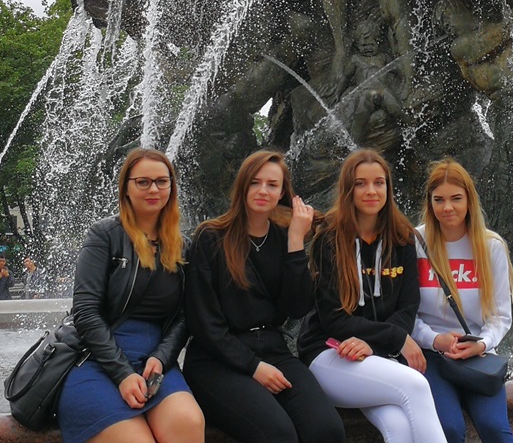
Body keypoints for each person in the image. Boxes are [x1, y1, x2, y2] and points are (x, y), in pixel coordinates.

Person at [184, 151, 345, 443]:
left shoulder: (284, 238)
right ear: (242, 186)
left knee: (327, 430)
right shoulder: (211, 237)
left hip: (273, 351)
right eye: (255, 182)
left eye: (272, 185)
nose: (262, 190)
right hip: (215, 360)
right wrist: (253, 366)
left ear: (282, 192)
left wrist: (296, 241)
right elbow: (203, 323)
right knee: (277, 435)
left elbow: (296, 307)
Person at [297, 149, 445, 442]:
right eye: (361, 183)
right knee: (416, 386)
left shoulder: (403, 238)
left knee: (400, 427)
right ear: (348, 190)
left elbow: (408, 307)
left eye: (379, 183)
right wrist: (396, 338)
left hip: (377, 354)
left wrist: (374, 342)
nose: (371, 191)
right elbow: (334, 319)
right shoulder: (330, 238)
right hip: (330, 353)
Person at [58, 148, 204, 443]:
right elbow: (85, 311)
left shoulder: (182, 247)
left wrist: (162, 357)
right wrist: (122, 373)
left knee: (188, 423)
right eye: (143, 182)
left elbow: (186, 316)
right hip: (98, 360)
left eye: (162, 181)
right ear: (126, 188)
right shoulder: (105, 235)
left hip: (155, 364)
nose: (154, 189)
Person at [412, 158, 513, 443]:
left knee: (495, 428)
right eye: (439, 200)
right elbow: (405, 312)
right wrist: (435, 340)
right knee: (449, 429)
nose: (447, 207)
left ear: (469, 200)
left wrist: (481, 343)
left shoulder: (491, 246)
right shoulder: (415, 243)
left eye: (456, 198)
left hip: (477, 355)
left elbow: (500, 316)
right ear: (430, 202)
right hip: (430, 355)